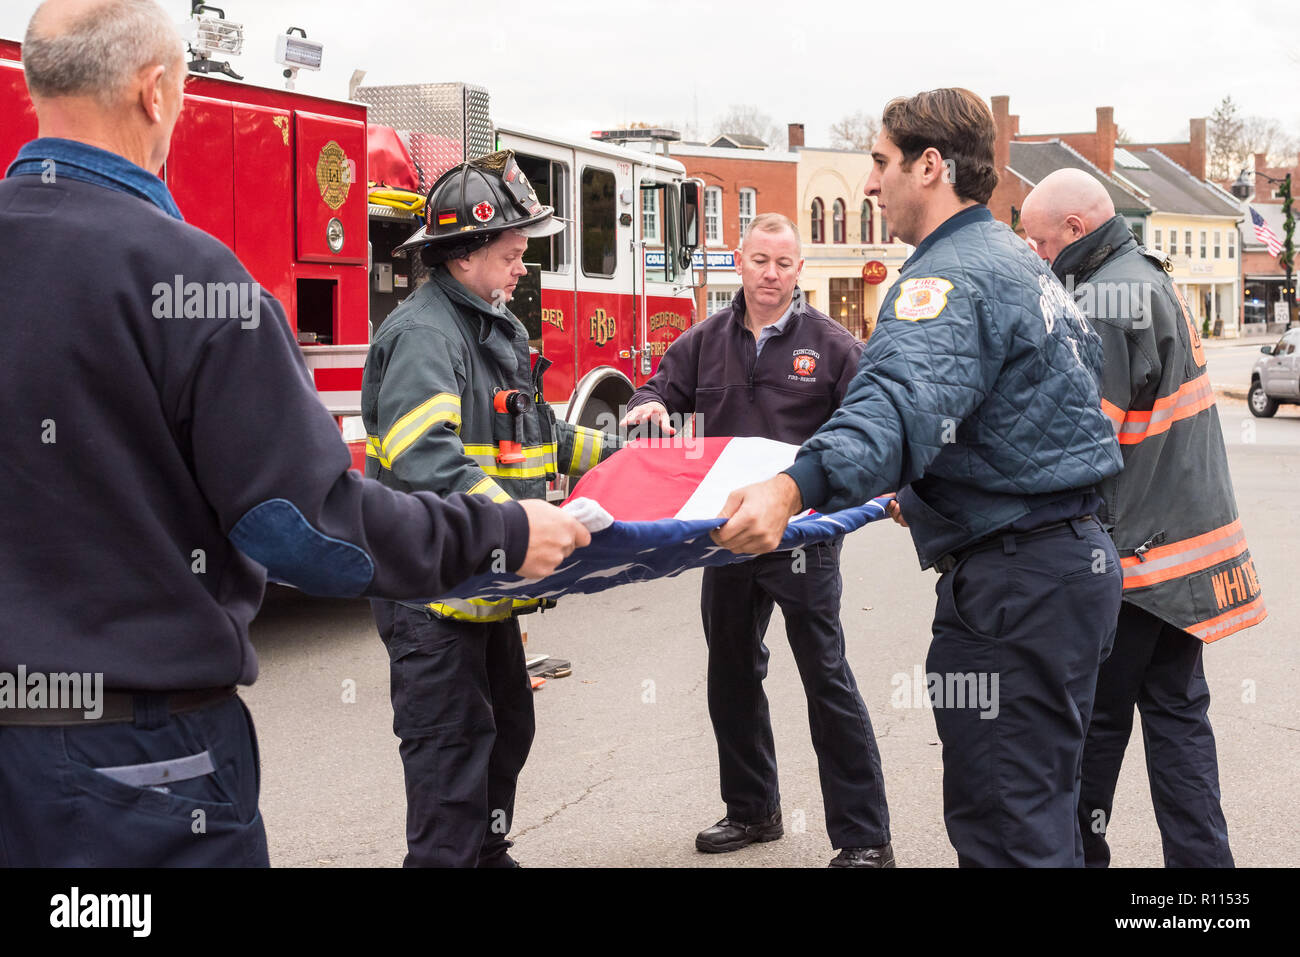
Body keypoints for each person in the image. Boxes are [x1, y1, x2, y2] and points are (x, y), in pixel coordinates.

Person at [0, 0, 588, 868]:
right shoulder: (195, 281)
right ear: (156, 93)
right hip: (141, 765)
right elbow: (304, 527)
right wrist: (499, 531)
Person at [711, 89, 1126, 867]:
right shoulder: (1018, 262)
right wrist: (934, 484)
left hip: (1014, 589)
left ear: (930, 166)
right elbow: (1033, 411)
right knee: (1048, 816)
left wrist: (791, 486)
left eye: (881, 162)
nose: (870, 184)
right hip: (1071, 571)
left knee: (1008, 830)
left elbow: (896, 404)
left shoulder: (945, 279)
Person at [363, 150, 619, 867]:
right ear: (465, 253)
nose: (520, 268)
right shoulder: (426, 334)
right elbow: (425, 455)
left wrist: (625, 455)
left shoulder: (488, 325)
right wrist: (517, 521)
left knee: (507, 727)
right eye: (510, 254)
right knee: (449, 761)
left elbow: (538, 434)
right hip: (432, 593)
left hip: (481, 584)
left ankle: (487, 851)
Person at [622, 213, 894, 868]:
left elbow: (875, 421)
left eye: (784, 263)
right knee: (731, 671)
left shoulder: (832, 346)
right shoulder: (704, 341)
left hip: (802, 535)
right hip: (728, 534)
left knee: (825, 676)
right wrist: (647, 405)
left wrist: (891, 488)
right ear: (739, 261)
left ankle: (865, 839)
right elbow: (656, 388)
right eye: (760, 260)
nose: (771, 274)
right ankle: (752, 809)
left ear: (800, 270)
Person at [1021, 169, 1265, 868]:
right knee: (1179, 722)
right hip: (1187, 558)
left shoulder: (1101, 299)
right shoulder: (1149, 274)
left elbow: (1081, 446)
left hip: (1133, 563)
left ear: (1074, 229)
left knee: (1092, 733)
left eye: (1040, 242)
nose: (1037, 256)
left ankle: (1079, 858)